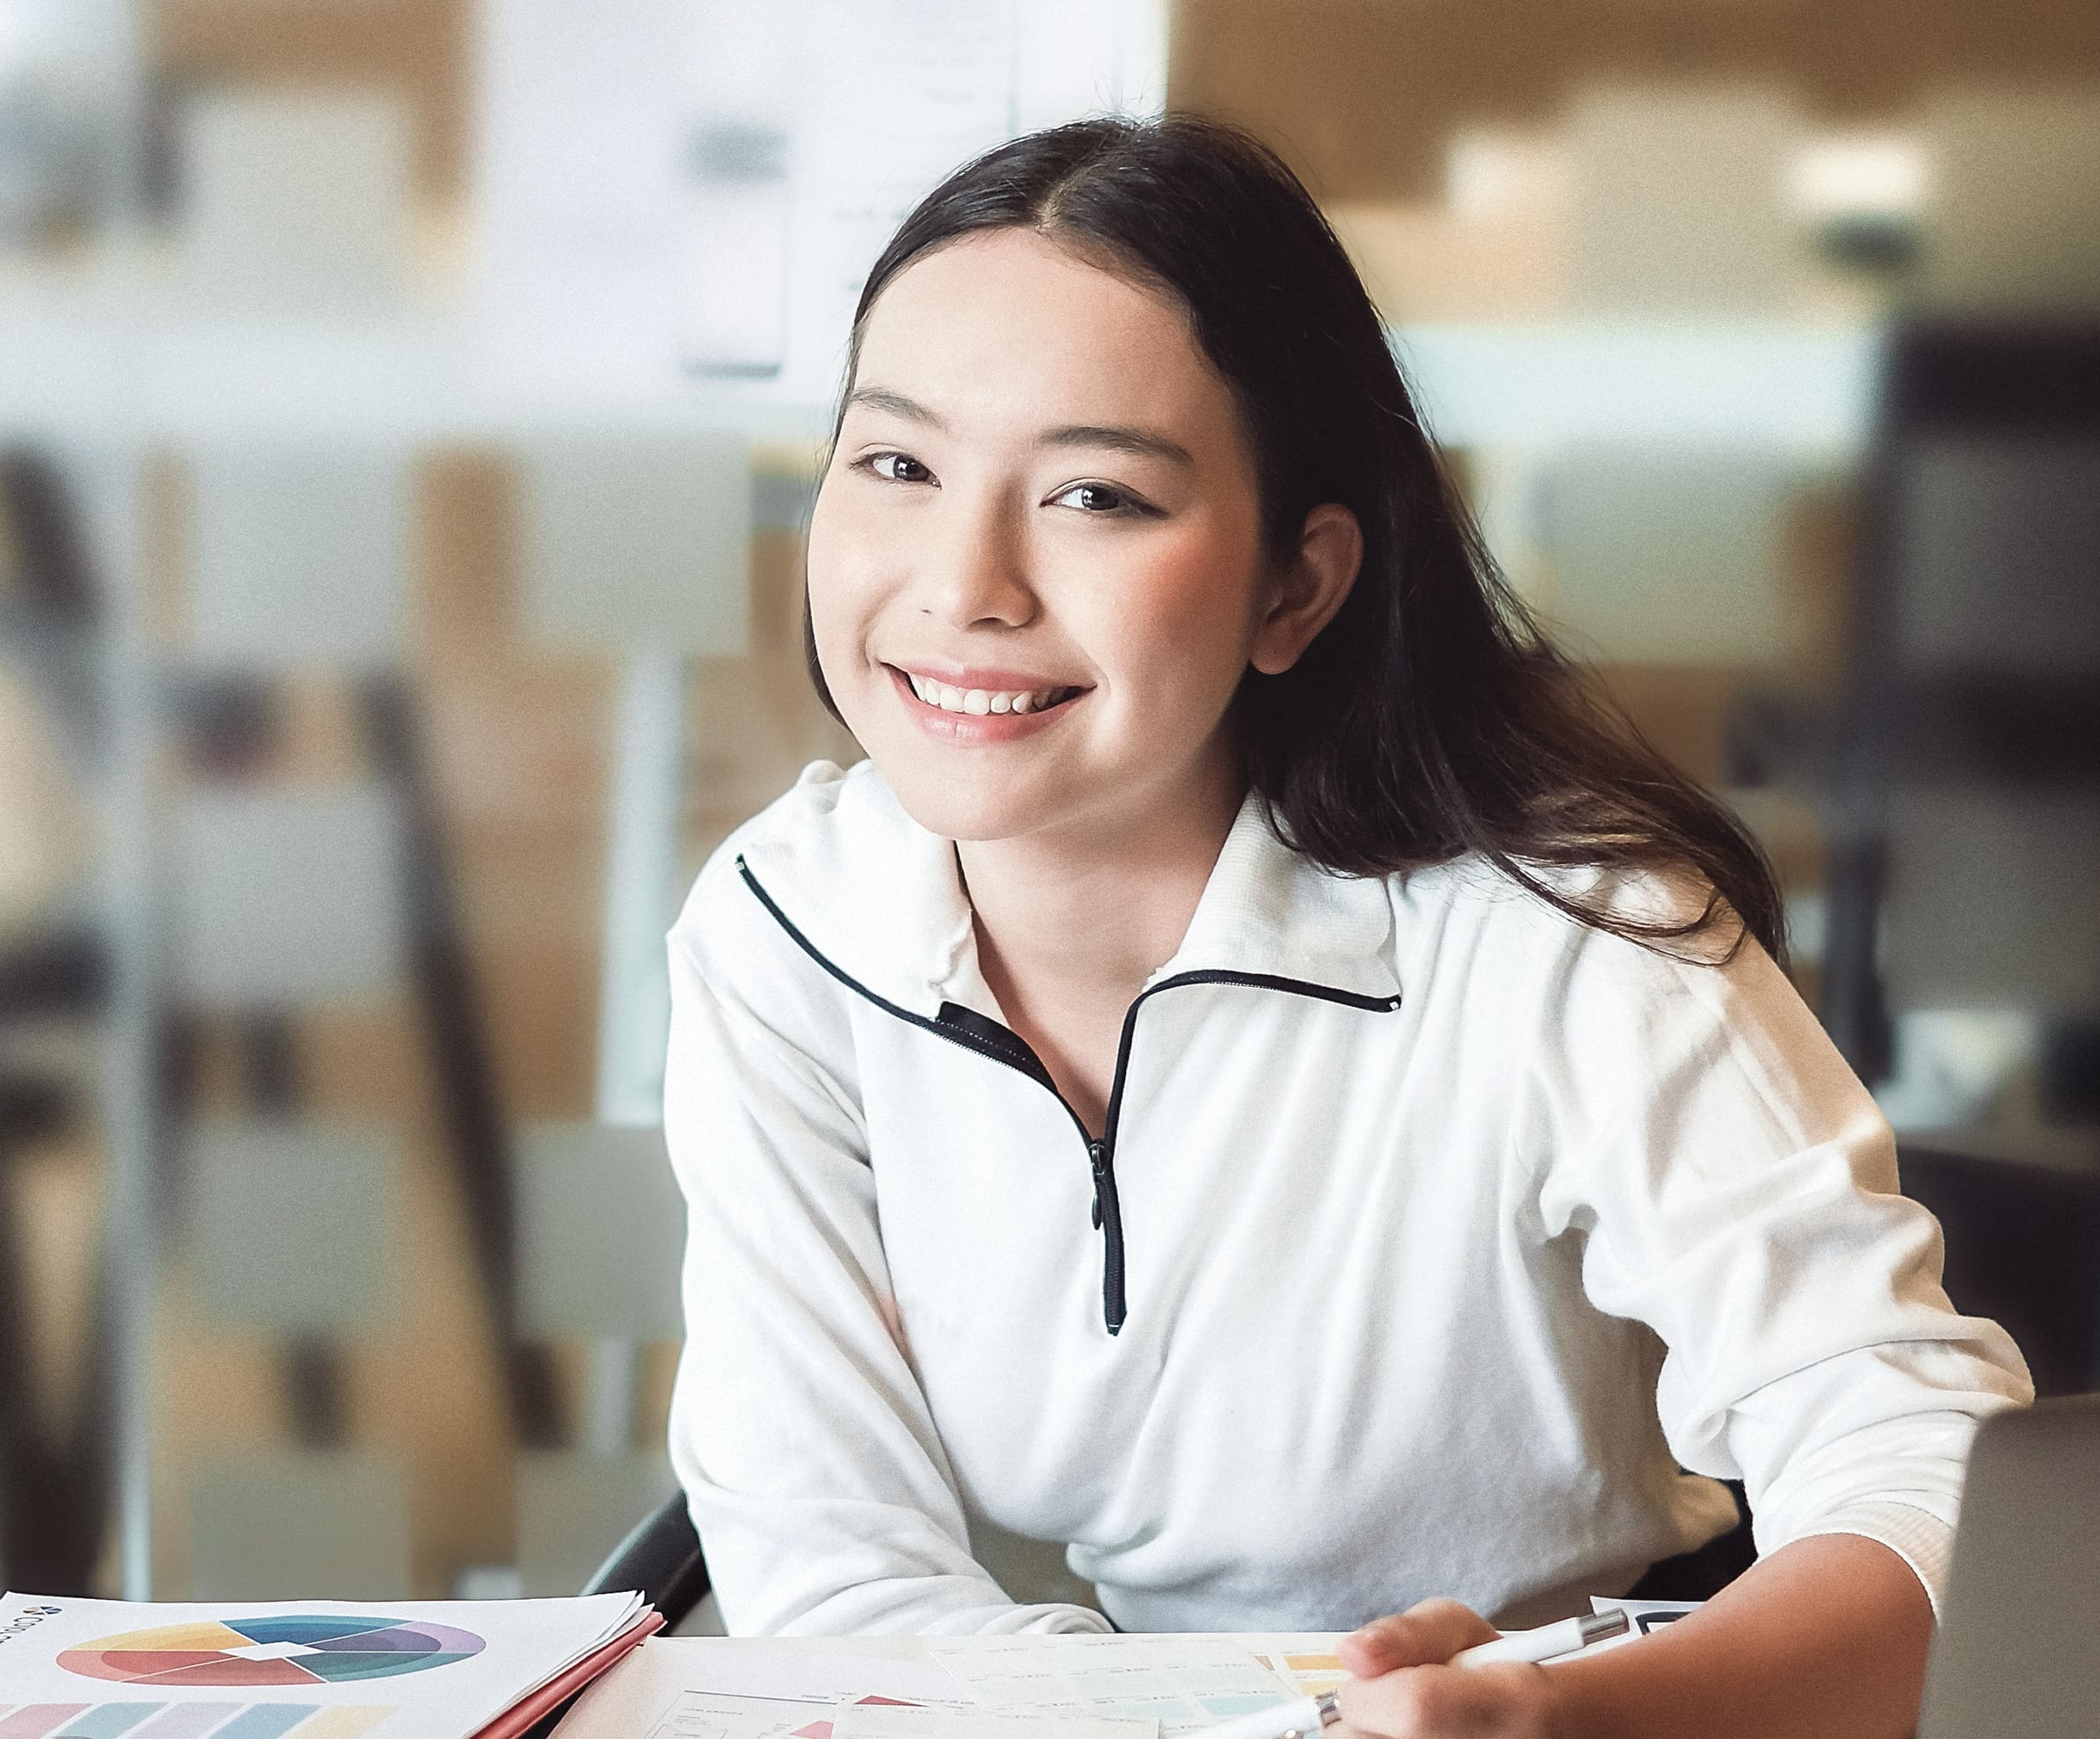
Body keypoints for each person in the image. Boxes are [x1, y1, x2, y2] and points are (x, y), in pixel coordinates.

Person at [657, 116, 2030, 1739]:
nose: (964, 584)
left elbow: (1923, 1465)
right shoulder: (782, 933)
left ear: (1296, 587)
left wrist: (1573, 1722)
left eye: (1095, 494)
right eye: (895, 465)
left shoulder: (1573, 929)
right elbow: (839, 1580)